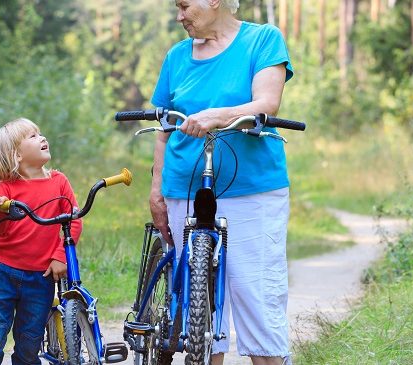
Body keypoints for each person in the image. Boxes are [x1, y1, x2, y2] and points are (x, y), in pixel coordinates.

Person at [148, 1, 294, 364]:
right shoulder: (177, 56)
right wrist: (156, 188)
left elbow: (266, 103)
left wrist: (216, 116)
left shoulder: (262, 40)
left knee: (255, 293)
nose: (179, 16)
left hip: (253, 187)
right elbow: (163, 131)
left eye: (184, 6)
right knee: (198, 303)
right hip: (183, 185)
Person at [0, 118, 83, 365]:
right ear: (15, 155)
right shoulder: (6, 187)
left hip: (41, 277)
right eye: (33, 136)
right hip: (4, 272)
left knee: (29, 341)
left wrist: (60, 256)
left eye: (40, 133)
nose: (42, 138)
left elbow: (74, 221)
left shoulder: (59, 181)